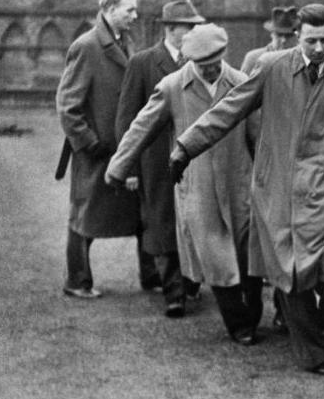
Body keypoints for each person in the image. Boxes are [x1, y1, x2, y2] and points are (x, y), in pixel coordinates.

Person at [168, 4, 324, 376]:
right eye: (311, 40)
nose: (318, 48)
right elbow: (227, 110)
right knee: (291, 280)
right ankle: (314, 352)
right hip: (276, 193)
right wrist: (185, 146)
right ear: (298, 37)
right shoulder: (272, 68)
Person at [107, 24, 263, 344]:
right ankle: (239, 325)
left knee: (247, 257)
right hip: (198, 188)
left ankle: (253, 313)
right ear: (190, 60)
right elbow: (141, 127)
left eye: (214, 61)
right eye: (201, 63)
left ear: (224, 55)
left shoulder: (242, 84)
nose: (209, 68)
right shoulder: (173, 87)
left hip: (239, 185)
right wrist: (119, 167)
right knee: (217, 258)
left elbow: (258, 138)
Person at [56, 0, 152, 299]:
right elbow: (68, 106)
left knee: (142, 212)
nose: (135, 15)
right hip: (97, 153)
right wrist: (91, 143)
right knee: (85, 217)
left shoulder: (123, 42)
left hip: (124, 148)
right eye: (129, 9)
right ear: (110, 10)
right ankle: (77, 280)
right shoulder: (86, 46)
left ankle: (151, 276)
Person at [114, 0, 205, 318]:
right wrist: (128, 167)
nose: (194, 32)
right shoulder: (143, 63)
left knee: (195, 219)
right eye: (188, 27)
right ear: (170, 29)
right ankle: (174, 292)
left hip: (195, 157)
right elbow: (127, 119)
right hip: (156, 161)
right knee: (163, 222)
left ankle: (191, 280)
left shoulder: (202, 60)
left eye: (196, 26)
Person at [239, 4, 299, 334]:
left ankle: (284, 306)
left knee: (287, 236)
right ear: (269, 34)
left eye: (288, 36)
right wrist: (253, 153)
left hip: (293, 159)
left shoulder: (302, 61)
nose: (282, 42)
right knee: (259, 235)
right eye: (277, 35)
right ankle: (252, 307)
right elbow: (245, 108)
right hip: (261, 156)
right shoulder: (254, 60)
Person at [240, 5, 299, 74]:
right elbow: (243, 83)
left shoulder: (303, 60)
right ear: (272, 35)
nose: (283, 40)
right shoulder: (254, 58)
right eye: (279, 35)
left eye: (288, 36)